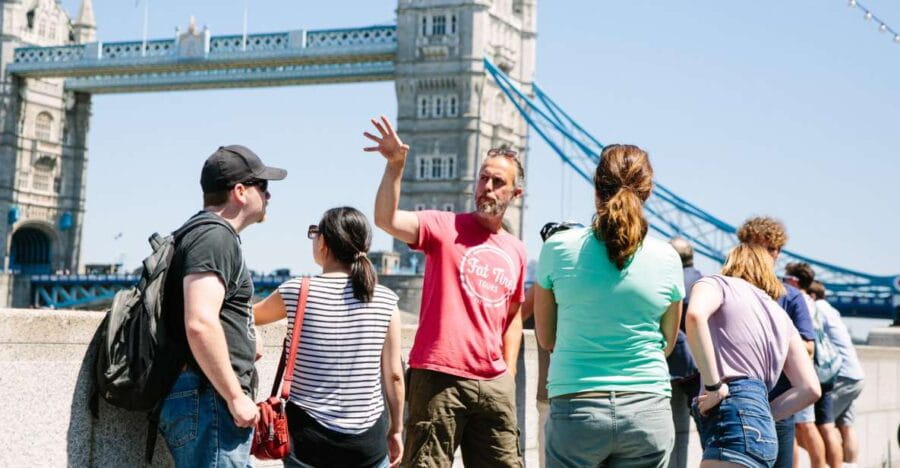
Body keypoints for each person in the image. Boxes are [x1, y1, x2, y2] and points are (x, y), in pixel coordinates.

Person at [365, 116, 527, 467]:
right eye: (482, 178)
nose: (486, 187)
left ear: (516, 194)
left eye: (498, 182)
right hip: (439, 377)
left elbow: (513, 316)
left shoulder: (516, 250)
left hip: (494, 384)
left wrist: (509, 374)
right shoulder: (443, 226)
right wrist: (395, 166)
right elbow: (386, 219)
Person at [534, 144, 683, 467]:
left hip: (576, 406)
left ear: (596, 190)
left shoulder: (557, 247)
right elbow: (667, 344)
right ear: (648, 192)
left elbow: (545, 338)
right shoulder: (669, 258)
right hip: (648, 408)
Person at [157, 145, 286, 467]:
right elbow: (200, 322)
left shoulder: (199, 232)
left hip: (204, 397)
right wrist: (235, 396)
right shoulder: (215, 238)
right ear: (240, 191)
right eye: (263, 186)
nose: (269, 196)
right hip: (209, 398)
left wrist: (247, 335)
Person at [253, 207, 405, 468]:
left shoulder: (297, 291)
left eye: (314, 233)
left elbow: (247, 316)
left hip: (308, 441)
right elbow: (394, 376)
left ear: (323, 242)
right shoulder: (385, 299)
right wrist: (397, 430)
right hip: (367, 443)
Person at [685, 244, 821, 467]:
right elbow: (811, 388)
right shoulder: (780, 315)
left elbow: (694, 316)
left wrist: (713, 386)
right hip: (762, 427)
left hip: (731, 409)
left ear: (732, 263)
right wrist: (762, 415)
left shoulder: (717, 284)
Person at [736, 216, 816, 468]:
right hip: (735, 404)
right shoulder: (726, 289)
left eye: (776, 248)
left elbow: (809, 347)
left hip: (778, 404)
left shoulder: (790, 296)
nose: (774, 254)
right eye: (766, 247)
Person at [521, 221, 583, 468]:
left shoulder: (543, 284)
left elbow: (515, 316)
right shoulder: (591, 280)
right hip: (586, 388)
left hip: (553, 388)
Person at [784, 262, 836, 468]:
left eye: (785, 278)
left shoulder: (798, 299)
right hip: (812, 371)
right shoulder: (811, 302)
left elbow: (807, 344)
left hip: (802, 371)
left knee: (804, 425)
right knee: (804, 426)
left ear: (793, 280)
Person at [808, 281, 865, 468]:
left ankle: (829, 465)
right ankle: (850, 465)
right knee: (846, 426)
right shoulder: (832, 310)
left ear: (812, 295)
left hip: (838, 375)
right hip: (855, 374)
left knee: (824, 426)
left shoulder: (815, 308)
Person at [667, 237, 703, 468]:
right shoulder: (704, 281)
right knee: (706, 426)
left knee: (672, 432)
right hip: (700, 367)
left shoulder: (668, 280)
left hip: (673, 364)